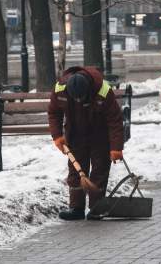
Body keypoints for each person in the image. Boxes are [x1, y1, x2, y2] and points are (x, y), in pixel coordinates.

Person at [48, 66, 124, 220]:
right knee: (76, 171)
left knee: (99, 170)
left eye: (81, 98)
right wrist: (57, 136)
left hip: (100, 135)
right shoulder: (60, 89)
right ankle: (76, 208)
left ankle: (96, 208)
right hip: (76, 135)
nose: (78, 101)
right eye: (75, 98)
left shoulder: (103, 90)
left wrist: (116, 148)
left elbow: (115, 120)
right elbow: (54, 113)